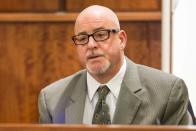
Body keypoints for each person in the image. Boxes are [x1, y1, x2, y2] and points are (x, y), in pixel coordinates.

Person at [38, 5, 193, 125]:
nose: (91, 44)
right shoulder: (52, 99)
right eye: (82, 38)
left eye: (100, 35)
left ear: (121, 39)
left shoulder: (168, 92)